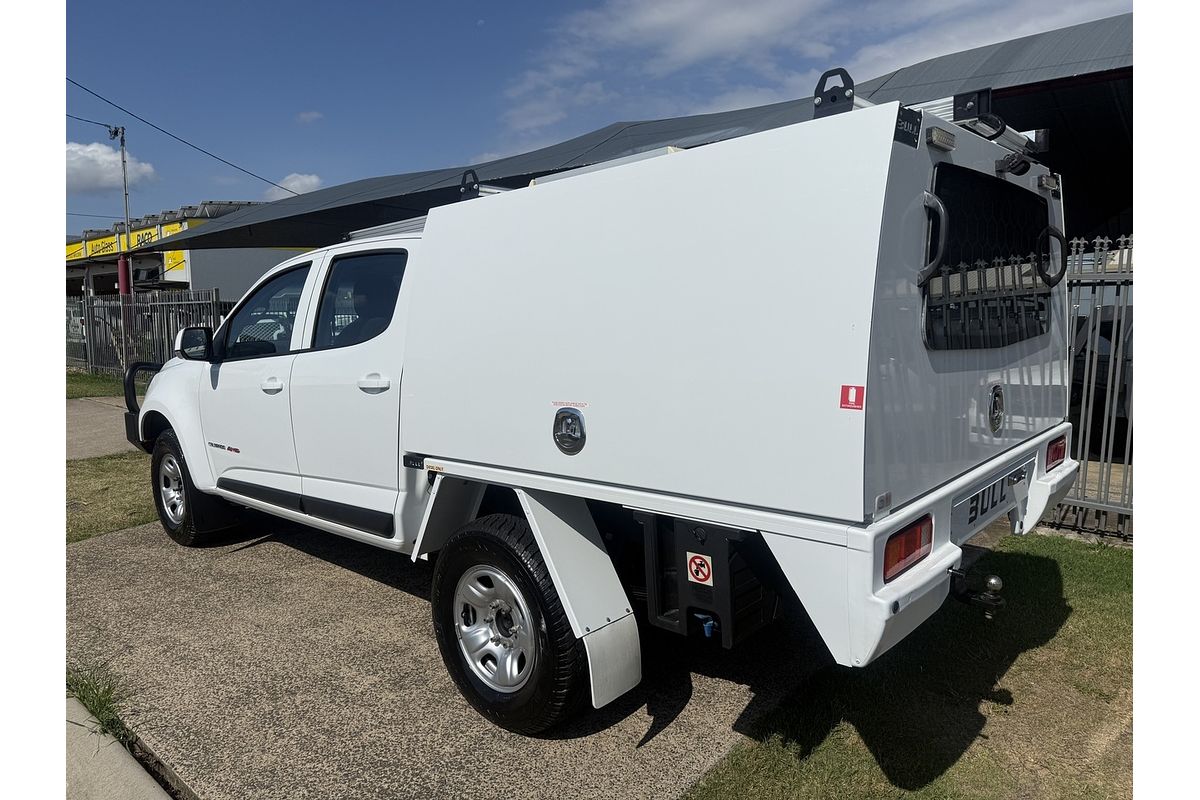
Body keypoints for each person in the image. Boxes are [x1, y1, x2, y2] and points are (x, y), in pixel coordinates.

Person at [336, 271, 399, 346]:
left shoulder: (368, 327)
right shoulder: (402, 325)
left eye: (355, 296)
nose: (353, 301)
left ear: (368, 299)